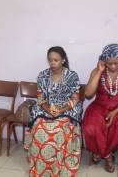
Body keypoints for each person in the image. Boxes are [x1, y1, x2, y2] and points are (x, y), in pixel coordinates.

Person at [24, 46, 83, 177]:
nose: (53, 63)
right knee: (39, 127)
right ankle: (41, 166)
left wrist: (60, 110)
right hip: (47, 108)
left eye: (56, 60)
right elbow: (40, 97)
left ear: (63, 60)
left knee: (60, 128)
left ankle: (59, 166)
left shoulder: (72, 76)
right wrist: (49, 110)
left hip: (66, 109)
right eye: (50, 60)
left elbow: (76, 98)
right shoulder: (43, 75)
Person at [82, 44, 118, 172]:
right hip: (99, 105)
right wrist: (99, 71)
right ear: (104, 60)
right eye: (109, 63)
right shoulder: (97, 70)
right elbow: (88, 94)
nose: (112, 66)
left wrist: (116, 111)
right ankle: (107, 156)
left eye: (116, 63)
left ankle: (101, 153)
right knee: (90, 127)